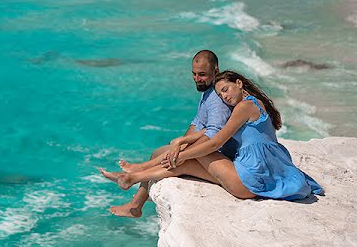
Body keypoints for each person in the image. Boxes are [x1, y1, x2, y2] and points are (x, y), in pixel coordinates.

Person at [100, 70, 322, 201]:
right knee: (185, 166)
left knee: (190, 155)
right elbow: (210, 132)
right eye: (219, 94)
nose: (224, 96)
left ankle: (139, 168)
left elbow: (216, 141)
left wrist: (182, 150)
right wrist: (182, 141)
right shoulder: (248, 106)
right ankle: (132, 177)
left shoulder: (245, 107)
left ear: (239, 83)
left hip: (247, 181)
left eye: (226, 90)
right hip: (248, 178)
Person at [108, 50, 238, 217]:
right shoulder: (208, 92)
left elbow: (214, 135)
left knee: (174, 161)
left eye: (202, 74)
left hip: (220, 158)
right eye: (194, 74)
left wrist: (183, 152)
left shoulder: (216, 99)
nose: (197, 79)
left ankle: (136, 182)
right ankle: (136, 202)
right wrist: (179, 145)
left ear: (216, 71)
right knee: (160, 152)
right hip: (209, 151)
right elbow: (196, 125)